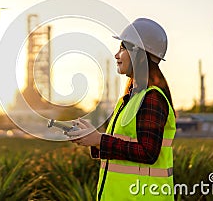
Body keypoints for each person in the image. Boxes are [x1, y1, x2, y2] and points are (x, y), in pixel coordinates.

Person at [67, 18, 176, 200]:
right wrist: (93, 138)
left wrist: (100, 140)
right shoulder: (129, 99)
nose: (117, 55)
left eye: (123, 48)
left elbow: (148, 152)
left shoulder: (152, 98)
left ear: (139, 54)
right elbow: (124, 146)